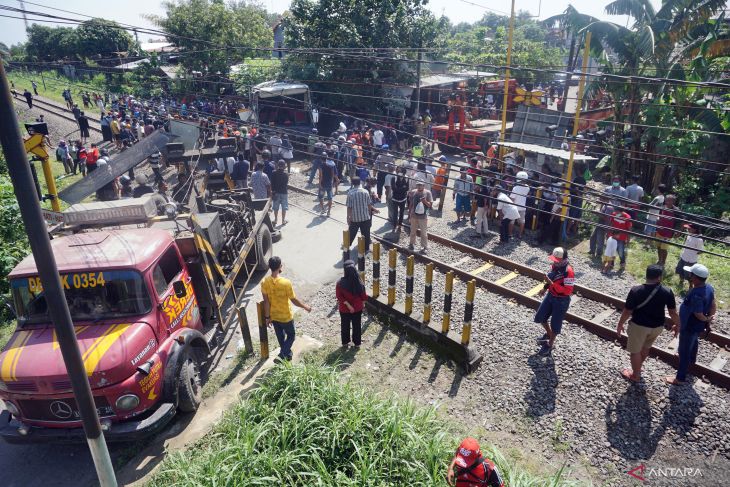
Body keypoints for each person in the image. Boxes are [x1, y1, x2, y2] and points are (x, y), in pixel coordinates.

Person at [616, 264, 679, 383]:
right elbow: (673, 313)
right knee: (645, 349)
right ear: (659, 277)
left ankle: (635, 375)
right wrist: (678, 325)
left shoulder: (636, 290)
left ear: (646, 275)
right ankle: (638, 368)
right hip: (657, 327)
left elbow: (627, 311)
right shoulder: (667, 291)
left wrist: (620, 324)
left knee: (635, 351)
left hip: (639, 326)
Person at [666, 264, 716, 385]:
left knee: (683, 352)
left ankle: (680, 378)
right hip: (696, 326)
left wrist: (706, 319)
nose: (689, 276)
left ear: (696, 277)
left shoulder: (696, 294)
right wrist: (709, 318)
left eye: (691, 274)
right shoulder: (709, 288)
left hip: (689, 326)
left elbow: (698, 314)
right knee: (694, 341)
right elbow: (713, 305)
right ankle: (692, 360)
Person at [261, 256, 312, 362]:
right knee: (291, 336)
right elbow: (293, 300)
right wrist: (305, 306)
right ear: (280, 266)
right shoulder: (286, 283)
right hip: (286, 316)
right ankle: (282, 355)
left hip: (274, 316)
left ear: (270, 267)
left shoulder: (264, 282)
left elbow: (266, 302)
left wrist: (267, 317)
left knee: (281, 336)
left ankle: (287, 354)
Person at [534, 247, 574, 356]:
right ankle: (549, 334)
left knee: (555, 323)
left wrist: (551, 284)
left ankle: (550, 343)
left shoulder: (568, 272)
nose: (554, 262)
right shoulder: (555, 266)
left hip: (561, 300)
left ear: (562, 259)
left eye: (556, 260)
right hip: (551, 295)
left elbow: (568, 290)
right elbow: (552, 277)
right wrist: (545, 288)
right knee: (540, 317)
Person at [336, 260, 368, 348]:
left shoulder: (340, 283)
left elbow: (339, 297)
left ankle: (345, 343)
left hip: (344, 309)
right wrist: (362, 305)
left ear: (345, 271)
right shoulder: (360, 282)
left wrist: (348, 305)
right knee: (357, 326)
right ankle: (357, 344)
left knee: (345, 326)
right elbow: (364, 297)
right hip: (357, 308)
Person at [346, 177, 378, 252]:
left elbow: (349, 207)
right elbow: (369, 205)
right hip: (365, 217)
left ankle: (346, 247)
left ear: (353, 183)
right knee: (366, 234)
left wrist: (348, 217)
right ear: (360, 182)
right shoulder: (365, 192)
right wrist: (370, 214)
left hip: (355, 218)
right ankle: (366, 249)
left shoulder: (350, 193)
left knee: (351, 234)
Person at [676, 223, 704, 290]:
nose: (687, 229)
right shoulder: (689, 235)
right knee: (680, 270)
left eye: (689, 228)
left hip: (690, 260)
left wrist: (692, 254)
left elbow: (700, 251)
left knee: (689, 275)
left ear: (694, 230)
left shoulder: (699, 240)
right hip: (683, 257)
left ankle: (691, 286)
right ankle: (681, 281)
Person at [408, 178, 433, 253]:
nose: (419, 186)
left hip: (423, 216)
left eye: (420, 185)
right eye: (418, 185)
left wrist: (424, 201)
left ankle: (424, 246)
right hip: (413, 216)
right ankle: (411, 244)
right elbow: (411, 204)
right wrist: (409, 214)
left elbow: (430, 205)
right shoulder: (413, 192)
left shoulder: (428, 193)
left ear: (424, 185)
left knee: (424, 232)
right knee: (412, 231)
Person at [656, 194, 678, 266]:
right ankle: (659, 260)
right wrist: (658, 221)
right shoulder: (662, 207)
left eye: (669, 200)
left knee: (664, 249)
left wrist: (678, 231)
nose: (667, 201)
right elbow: (658, 216)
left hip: (668, 233)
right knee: (658, 247)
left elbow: (681, 222)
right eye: (666, 200)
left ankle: (663, 262)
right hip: (659, 231)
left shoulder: (676, 210)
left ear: (673, 201)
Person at [610, 206, 632, 271]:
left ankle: (622, 264)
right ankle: (611, 264)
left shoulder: (627, 217)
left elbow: (629, 229)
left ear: (621, 211)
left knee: (620, 252)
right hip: (614, 236)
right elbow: (611, 223)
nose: (615, 212)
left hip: (622, 238)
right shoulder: (614, 214)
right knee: (612, 250)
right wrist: (609, 234)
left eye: (616, 211)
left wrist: (628, 239)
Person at [510, 171, 530, 238]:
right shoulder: (527, 187)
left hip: (515, 207)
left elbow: (512, 198)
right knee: (522, 221)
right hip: (522, 207)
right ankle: (520, 235)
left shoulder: (515, 188)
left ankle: (510, 234)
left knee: (512, 221)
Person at [318, 152, 339, 217]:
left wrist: (319, 184)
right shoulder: (331, 166)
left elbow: (320, 176)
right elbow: (333, 175)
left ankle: (322, 209)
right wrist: (332, 182)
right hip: (329, 184)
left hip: (323, 184)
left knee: (321, 197)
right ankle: (329, 212)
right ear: (326, 158)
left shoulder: (321, 166)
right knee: (330, 198)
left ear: (321, 159)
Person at [271, 160, 289, 226]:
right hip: (284, 192)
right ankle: (283, 221)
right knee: (284, 207)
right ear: (284, 166)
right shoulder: (286, 174)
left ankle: (275, 220)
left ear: (278, 165)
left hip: (275, 193)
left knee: (276, 207)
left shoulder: (273, 173)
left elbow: (272, 183)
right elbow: (286, 183)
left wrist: (273, 191)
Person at [391, 167, 409, 232]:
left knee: (401, 213)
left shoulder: (407, 178)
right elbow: (393, 188)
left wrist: (398, 189)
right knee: (395, 213)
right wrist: (402, 188)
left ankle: (399, 225)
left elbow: (407, 188)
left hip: (403, 199)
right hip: (395, 199)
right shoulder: (394, 178)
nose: (400, 174)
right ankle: (394, 226)